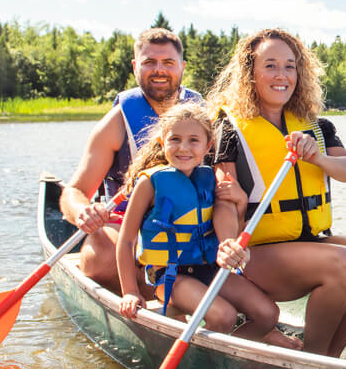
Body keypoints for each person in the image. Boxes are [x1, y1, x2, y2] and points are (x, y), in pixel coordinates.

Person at [207, 28, 346, 357]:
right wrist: (228, 242)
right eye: (270, 65)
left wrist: (317, 155)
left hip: (308, 242)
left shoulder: (316, 126)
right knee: (341, 261)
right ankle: (313, 359)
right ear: (250, 72)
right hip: (254, 255)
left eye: (290, 66)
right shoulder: (229, 128)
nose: (282, 75)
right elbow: (226, 198)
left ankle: (330, 357)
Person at [115, 102, 300, 348]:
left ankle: (229, 353)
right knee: (223, 316)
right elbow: (126, 240)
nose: (183, 148)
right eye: (175, 139)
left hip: (209, 269)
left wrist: (240, 204)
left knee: (268, 314)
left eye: (194, 140)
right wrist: (130, 290)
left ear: (208, 145)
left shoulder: (209, 178)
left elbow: (229, 224)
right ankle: (210, 362)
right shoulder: (150, 183)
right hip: (171, 276)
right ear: (162, 141)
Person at [60, 28, 201, 294]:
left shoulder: (201, 113)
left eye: (168, 63)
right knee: (101, 258)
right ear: (136, 66)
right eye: (149, 62)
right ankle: (149, 296)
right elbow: (74, 191)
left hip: (187, 221)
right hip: (126, 224)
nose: (159, 70)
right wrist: (83, 212)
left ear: (182, 67)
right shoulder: (117, 122)